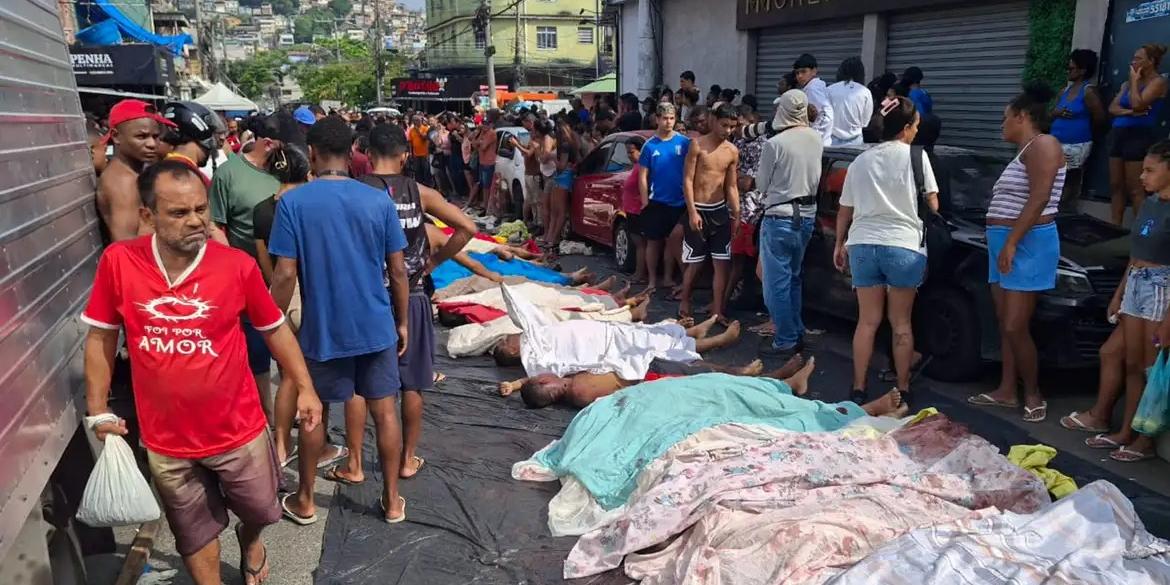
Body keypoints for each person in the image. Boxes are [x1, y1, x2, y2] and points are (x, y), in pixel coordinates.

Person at [81, 160, 322, 585]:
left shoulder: (235, 266)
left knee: (262, 510)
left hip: (240, 430)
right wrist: (98, 411)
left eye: (200, 209)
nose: (195, 221)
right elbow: (101, 338)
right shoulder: (119, 262)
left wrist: (305, 386)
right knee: (192, 533)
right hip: (167, 440)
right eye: (179, 213)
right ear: (147, 216)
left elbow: (274, 329)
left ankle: (251, 541)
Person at [269, 116, 412, 525]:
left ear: (310, 153)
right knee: (385, 412)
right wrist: (401, 322)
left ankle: (306, 500)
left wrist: (272, 322)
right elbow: (398, 271)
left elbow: (284, 274)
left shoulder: (294, 203)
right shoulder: (378, 199)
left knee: (314, 413)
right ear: (353, 154)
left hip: (323, 330)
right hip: (376, 325)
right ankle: (391, 501)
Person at [355, 124, 476, 481]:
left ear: (365, 154)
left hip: (369, 297)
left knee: (362, 384)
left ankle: (356, 462)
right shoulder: (420, 192)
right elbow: (466, 227)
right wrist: (433, 264)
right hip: (414, 294)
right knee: (413, 383)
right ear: (405, 155)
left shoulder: (355, 192)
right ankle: (407, 459)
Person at [1060, 140, 1170, 461]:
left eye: (1150, 170)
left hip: (1160, 289)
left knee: (1146, 367)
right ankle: (1122, 428)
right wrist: (1120, 294)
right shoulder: (1151, 204)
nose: (1141, 176)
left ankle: (1143, 439)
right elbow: (1136, 254)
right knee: (1125, 359)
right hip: (1136, 283)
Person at [968, 83, 1066, 423]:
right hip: (1005, 241)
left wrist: (1012, 241)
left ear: (1023, 116)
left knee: (1014, 325)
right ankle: (1007, 390)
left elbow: (1040, 197)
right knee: (1004, 322)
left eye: (1005, 118)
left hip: (1026, 242)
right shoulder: (1025, 152)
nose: (1001, 125)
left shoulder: (1044, 144)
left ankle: (1033, 392)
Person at [833, 96, 938, 405]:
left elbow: (844, 209)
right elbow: (933, 203)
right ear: (906, 128)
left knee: (867, 322)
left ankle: (858, 387)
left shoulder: (860, 161)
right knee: (901, 323)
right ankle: (902, 389)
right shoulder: (917, 158)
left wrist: (839, 244)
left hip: (863, 244)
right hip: (904, 246)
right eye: (916, 125)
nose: (917, 131)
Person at [210, 112, 300, 429]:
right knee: (259, 356)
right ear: (269, 143)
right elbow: (217, 226)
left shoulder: (288, 169)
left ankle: (294, 413)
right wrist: (233, 268)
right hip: (251, 283)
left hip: (292, 282)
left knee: (293, 355)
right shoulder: (229, 175)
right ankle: (269, 419)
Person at [251, 144, 321, 467]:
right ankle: (312, 446)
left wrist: (272, 303)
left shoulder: (262, 209)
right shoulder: (309, 206)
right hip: (307, 294)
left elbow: (268, 262)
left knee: (286, 374)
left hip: (275, 293)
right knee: (301, 376)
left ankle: (280, 444)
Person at [755, 90, 824, 358]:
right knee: (794, 277)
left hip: (779, 216)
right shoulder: (816, 139)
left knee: (776, 283)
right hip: (807, 215)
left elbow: (761, 184)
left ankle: (784, 339)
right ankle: (796, 331)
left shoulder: (776, 143)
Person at [503, 350, 808, 410]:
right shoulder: (582, 390)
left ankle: (766, 378)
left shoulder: (573, 387)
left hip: (648, 371)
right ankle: (774, 379)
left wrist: (516, 385)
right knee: (708, 375)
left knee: (702, 367)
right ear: (545, 383)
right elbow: (624, 389)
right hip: (651, 376)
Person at [680, 104, 740, 321]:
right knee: (695, 262)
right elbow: (687, 179)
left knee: (721, 263)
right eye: (724, 125)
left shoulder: (732, 151)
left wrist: (737, 213)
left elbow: (731, 186)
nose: (728, 130)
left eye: (732, 127)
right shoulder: (697, 145)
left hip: (720, 212)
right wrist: (692, 212)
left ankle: (717, 310)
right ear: (714, 120)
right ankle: (685, 300)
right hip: (699, 209)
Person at [97, 99, 177, 243]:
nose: (152, 144)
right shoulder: (123, 181)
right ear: (116, 136)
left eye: (155, 136)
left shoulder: (133, 173)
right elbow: (125, 245)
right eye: (141, 136)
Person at [1108, 44, 1168, 226]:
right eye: (1133, 58)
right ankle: (1114, 227)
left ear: (1151, 61)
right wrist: (1129, 113)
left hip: (1139, 135)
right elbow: (1113, 108)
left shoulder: (1158, 82)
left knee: (1136, 188)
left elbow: (1137, 104)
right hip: (1119, 132)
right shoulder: (1126, 84)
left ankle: (1140, 232)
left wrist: (1134, 81)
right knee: (1116, 185)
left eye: (1139, 59)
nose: (1133, 62)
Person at [639, 103, 691, 293]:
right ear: (657, 119)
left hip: (680, 201)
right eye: (664, 118)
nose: (668, 122)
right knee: (653, 241)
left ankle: (671, 278)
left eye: (671, 118)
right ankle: (652, 280)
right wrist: (645, 201)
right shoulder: (649, 145)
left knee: (674, 242)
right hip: (657, 201)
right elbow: (643, 175)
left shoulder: (685, 143)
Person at [1052, 50, 1107, 212]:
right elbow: (1052, 113)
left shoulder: (1088, 91)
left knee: (1069, 180)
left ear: (1083, 70)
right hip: (1056, 142)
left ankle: (1063, 213)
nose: (1068, 71)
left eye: (1071, 68)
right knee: (1053, 179)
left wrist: (1082, 130)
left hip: (1076, 144)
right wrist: (1056, 113)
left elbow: (1100, 118)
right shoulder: (1064, 91)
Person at [546, 117, 582, 252]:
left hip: (563, 176)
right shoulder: (572, 142)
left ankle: (553, 238)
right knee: (557, 210)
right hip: (564, 176)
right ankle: (551, 238)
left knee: (558, 211)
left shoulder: (565, 145)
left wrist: (552, 158)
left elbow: (561, 166)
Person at [827, 57, 874, 146]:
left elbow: (825, 116)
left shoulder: (829, 90)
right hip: (856, 142)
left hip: (832, 141)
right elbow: (865, 122)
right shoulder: (865, 92)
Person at [622, 141, 648, 283]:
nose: (629, 155)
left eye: (631, 152)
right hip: (632, 209)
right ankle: (639, 273)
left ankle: (640, 274)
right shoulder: (637, 167)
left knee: (640, 244)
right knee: (638, 243)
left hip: (637, 210)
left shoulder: (641, 168)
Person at [794, 54, 833, 146]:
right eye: (797, 73)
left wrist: (814, 135)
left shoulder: (812, 89)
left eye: (803, 71)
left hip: (817, 143)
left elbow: (826, 114)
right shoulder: (813, 87)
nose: (799, 76)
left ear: (814, 71)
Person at [474, 111, 499, 214]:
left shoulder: (491, 133)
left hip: (489, 163)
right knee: (483, 185)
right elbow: (474, 144)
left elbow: (483, 147)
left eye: (486, 124)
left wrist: (479, 143)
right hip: (482, 162)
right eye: (483, 123)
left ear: (491, 124)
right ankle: (485, 206)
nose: (484, 126)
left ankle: (487, 207)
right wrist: (479, 139)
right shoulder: (483, 133)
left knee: (487, 186)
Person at [407, 115, 432, 186]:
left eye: (417, 120)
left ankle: (428, 184)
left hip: (425, 153)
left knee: (426, 170)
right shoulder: (411, 130)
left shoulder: (425, 128)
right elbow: (410, 142)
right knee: (417, 171)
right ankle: (419, 185)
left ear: (420, 121)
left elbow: (424, 138)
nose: (415, 122)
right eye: (414, 120)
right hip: (416, 154)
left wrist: (418, 130)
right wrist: (410, 152)